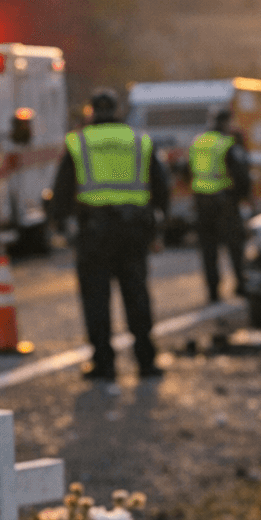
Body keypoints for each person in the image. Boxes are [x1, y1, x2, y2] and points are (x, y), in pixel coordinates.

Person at [50, 88, 170, 381]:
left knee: (96, 301)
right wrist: (158, 228)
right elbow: (160, 186)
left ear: (91, 110)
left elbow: (62, 189)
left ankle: (104, 364)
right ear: (117, 109)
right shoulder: (139, 140)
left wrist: (60, 226)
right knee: (137, 296)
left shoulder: (78, 142)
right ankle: (146, 361)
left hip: (94, 234)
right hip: (133, 231)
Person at [189, 107, 252, 303]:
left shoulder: (198, 142)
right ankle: (241, 285)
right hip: (225, 201)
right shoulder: (227, 144)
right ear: (226, 122)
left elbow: (187, 170)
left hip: (201, 202)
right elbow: (242, 175)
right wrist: (243, 198)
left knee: (208, 249)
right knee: (235, 246)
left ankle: (213, 291)